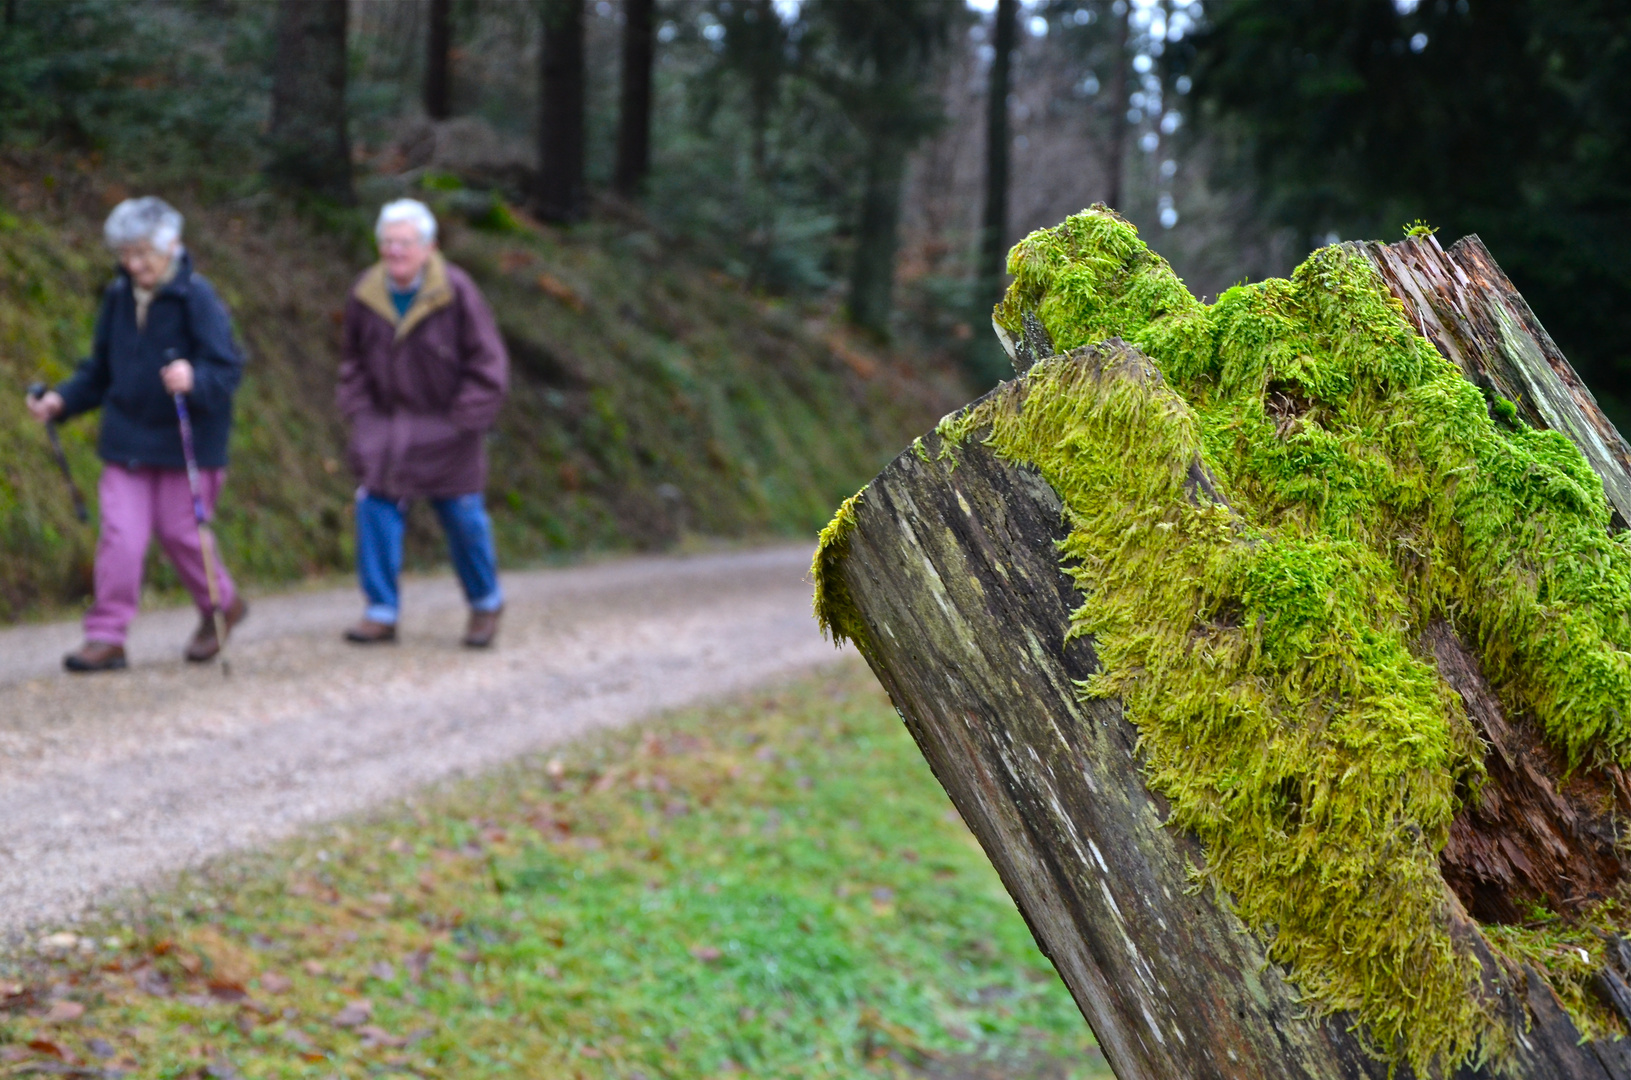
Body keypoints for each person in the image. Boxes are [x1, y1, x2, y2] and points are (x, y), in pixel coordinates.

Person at [27, 196, 247, 673]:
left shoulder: (197, 297)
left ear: (171, 246)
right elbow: (100, 370)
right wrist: (61, 401)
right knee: (121, 537)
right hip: (127, 439)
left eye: (143, 253)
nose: (133, 263)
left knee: (183, 535)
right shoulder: (117, 297)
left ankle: (221, 606)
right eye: (126, 253)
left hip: (188, 442)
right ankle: (106, 636)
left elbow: (227, 369)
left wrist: (195, 377)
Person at [338, 199, 510, 647]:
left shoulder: (457, 291)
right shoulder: (366, 292)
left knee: (464, 520)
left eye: (405, 243)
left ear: (429, 247)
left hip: (448, 430)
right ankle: (380, 611)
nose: (395, 251)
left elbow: (488, 365)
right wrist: (360, 416)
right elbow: (351, 361)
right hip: (387, 428)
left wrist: (463, 421)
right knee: (374, 510)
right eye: (387, 242)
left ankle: (485, 604)